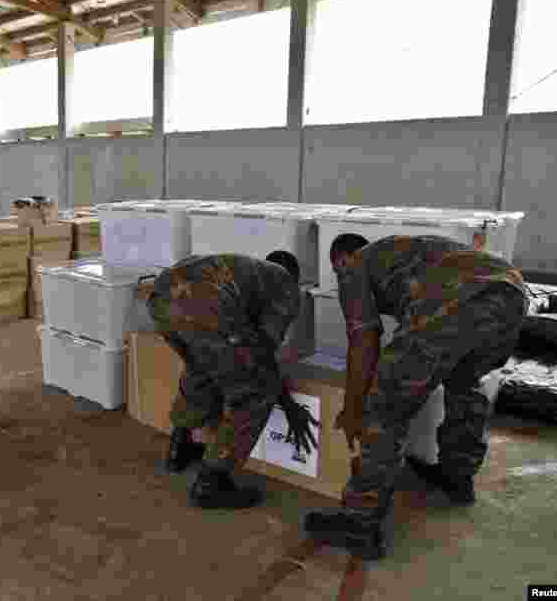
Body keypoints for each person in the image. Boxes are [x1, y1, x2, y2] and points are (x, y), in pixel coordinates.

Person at [304, 234, 528, 559]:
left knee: (384, 409)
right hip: (511, 293)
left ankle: (359, 523)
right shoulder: (405, 252)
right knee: (465, 385)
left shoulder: (353, 267)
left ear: (341, 260)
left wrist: (352, 408)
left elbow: (364, 340)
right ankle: (457, 477)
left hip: (455, 297)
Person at [147, 251, 319, 510]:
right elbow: (261, 358)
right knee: (254, 392)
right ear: (294, 277)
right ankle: (211, 483)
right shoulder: (285, 285)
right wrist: (289, 406)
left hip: (160, 299)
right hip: (204, 306)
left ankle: (179, 447)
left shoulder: (244, 271)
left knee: (201, 367)